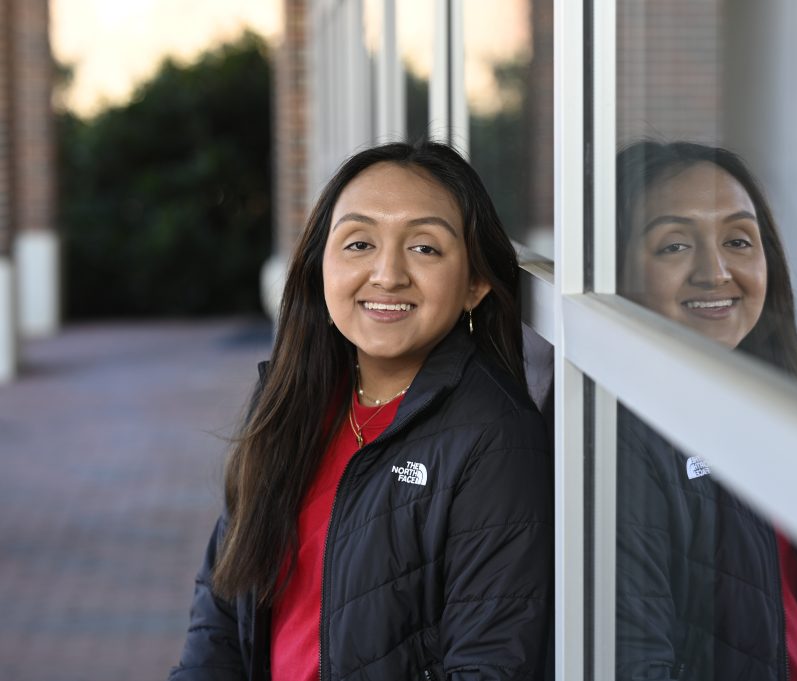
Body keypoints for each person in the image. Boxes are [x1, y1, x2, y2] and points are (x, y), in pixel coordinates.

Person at [170, 141, 553, 681]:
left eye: (425, 248)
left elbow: (491, 663)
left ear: (475, 284)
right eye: (359, 243)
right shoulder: (291, 400)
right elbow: (221, 604)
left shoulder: (496, 438)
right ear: (318, 266)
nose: (387, 274)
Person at [614, 140, 797, 680]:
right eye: (673, 246)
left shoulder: (772, 407)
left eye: (738, 240)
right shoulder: (621, 437)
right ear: (617, 272)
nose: (715, 272)